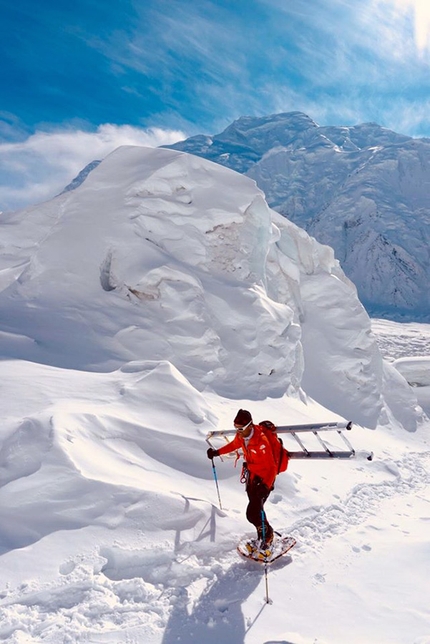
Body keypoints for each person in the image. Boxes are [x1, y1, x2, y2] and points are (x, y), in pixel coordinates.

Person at [207, 409, 277, 554]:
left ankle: (268, 536)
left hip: (263, 481)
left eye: (240, 428)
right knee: (257, 511)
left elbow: (272, 467)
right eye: (236, 428)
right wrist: (216, 452)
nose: (237, 431)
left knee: (252, 513)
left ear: (250, 426)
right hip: (252, 478)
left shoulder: (261, 441)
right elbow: (233, 445)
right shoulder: (242, 437)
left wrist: (266, 486)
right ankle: (264, 537)